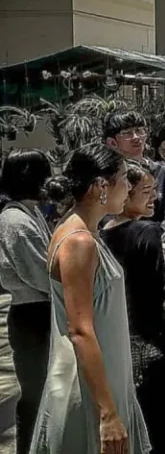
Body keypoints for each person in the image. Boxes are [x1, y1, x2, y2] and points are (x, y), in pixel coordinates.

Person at [32, 144, 150, 454]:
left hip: (102, 379)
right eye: (124, 179)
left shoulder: (85, 232)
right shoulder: (79, 241)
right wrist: (107, 412)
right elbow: (80, 330)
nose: (129, 187)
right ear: (101, 186)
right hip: (86, 389)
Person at [101, 160, 165, 453]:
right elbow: (160, 289)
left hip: (122, 338)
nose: (156, 197)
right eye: (146, 191)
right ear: (126, 194)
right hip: (152, 336)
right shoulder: (146, 231)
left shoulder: (104, 232)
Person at [0, 149, 53, 454]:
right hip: (31, 315)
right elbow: (40, 274)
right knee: (34, 396)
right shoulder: (15, 221)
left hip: (38, 312)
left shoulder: (29, 212)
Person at [104, 110, 165, 222]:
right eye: (128, 133)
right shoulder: (107, 177)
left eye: (139, 131)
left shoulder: (164, 175)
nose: (136, 137)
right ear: (112, 142)